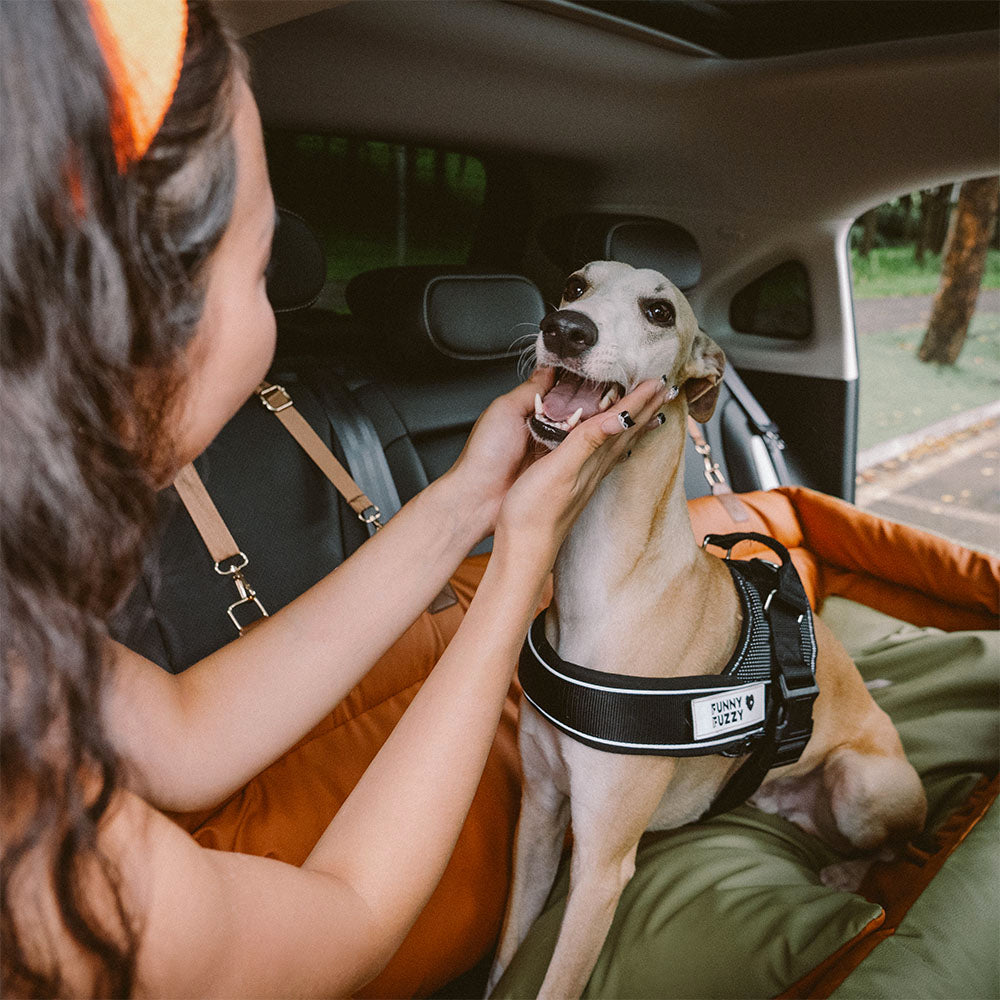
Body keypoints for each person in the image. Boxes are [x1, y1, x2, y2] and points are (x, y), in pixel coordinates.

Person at [0, 1, 670, 996]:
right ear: (123, 322)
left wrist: (465, 503)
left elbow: (180, 739)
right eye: (267, 267)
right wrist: (518, 567)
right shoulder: (39, 859)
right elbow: (343, 926)